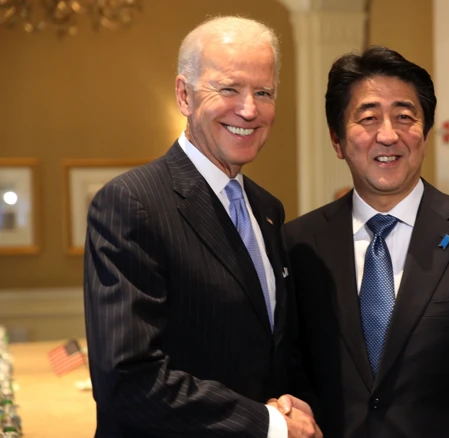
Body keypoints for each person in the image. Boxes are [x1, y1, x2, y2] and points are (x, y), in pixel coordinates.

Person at [283, 46, 449, 437]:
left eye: (405, 117)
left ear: (425, 134)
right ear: (338, 141)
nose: (388, 135)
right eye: (369, 117)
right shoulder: (299, 243)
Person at [83, 16, 319, 438]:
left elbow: (271, 351)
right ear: (184, 94)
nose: (249, 109)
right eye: (228, 88)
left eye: (263, 92)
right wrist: (267, 424)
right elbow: (127, 378)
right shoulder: (132, 203)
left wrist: (289, 408)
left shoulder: (267, 209)